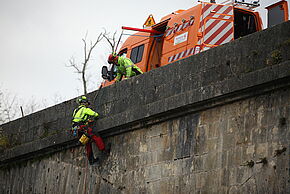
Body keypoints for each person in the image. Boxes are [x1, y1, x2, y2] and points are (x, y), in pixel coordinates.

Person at [72, 96, 109, 165]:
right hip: (82, 127)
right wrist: (94, 115)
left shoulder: (75, 110)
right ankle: (103, 150)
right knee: (95, 135)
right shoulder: (85, 109)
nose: (88, 104)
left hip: (75, 129)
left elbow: (78, 119)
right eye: (87, 103)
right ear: (84, 103)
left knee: (87, 142)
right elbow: (95, 114)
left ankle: (91, 160)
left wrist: (87, 120)